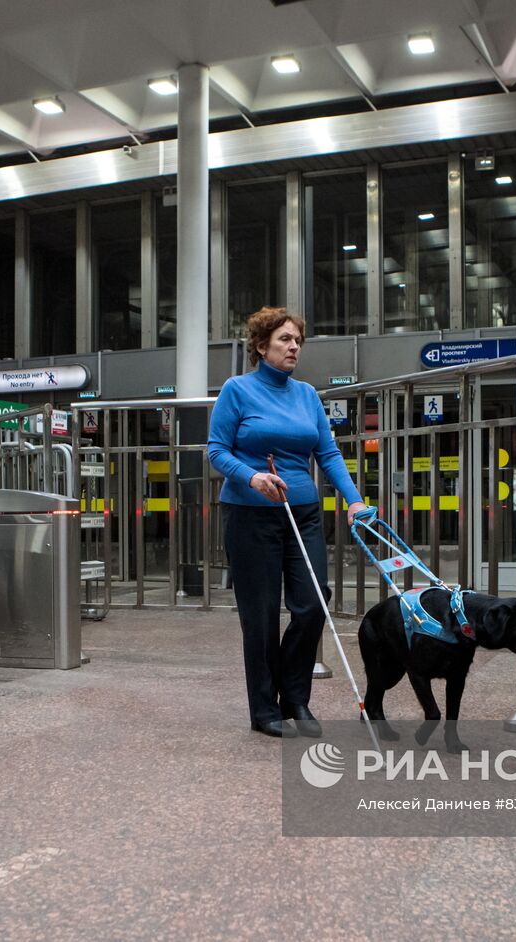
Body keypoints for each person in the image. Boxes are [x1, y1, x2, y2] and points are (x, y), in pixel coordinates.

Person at [208, 307, 372, 739]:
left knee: (312, 601)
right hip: (249, 515)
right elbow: (216, 451)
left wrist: (354, 501)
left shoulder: (307, 395)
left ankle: (294, 696)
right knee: (260, 616)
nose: (294, 346)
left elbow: (328, 454)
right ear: (261, 346)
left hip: (303, 512)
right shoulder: (237, 391)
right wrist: (252, 476)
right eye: (284, 339)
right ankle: (264, 708)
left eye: (297, 339)